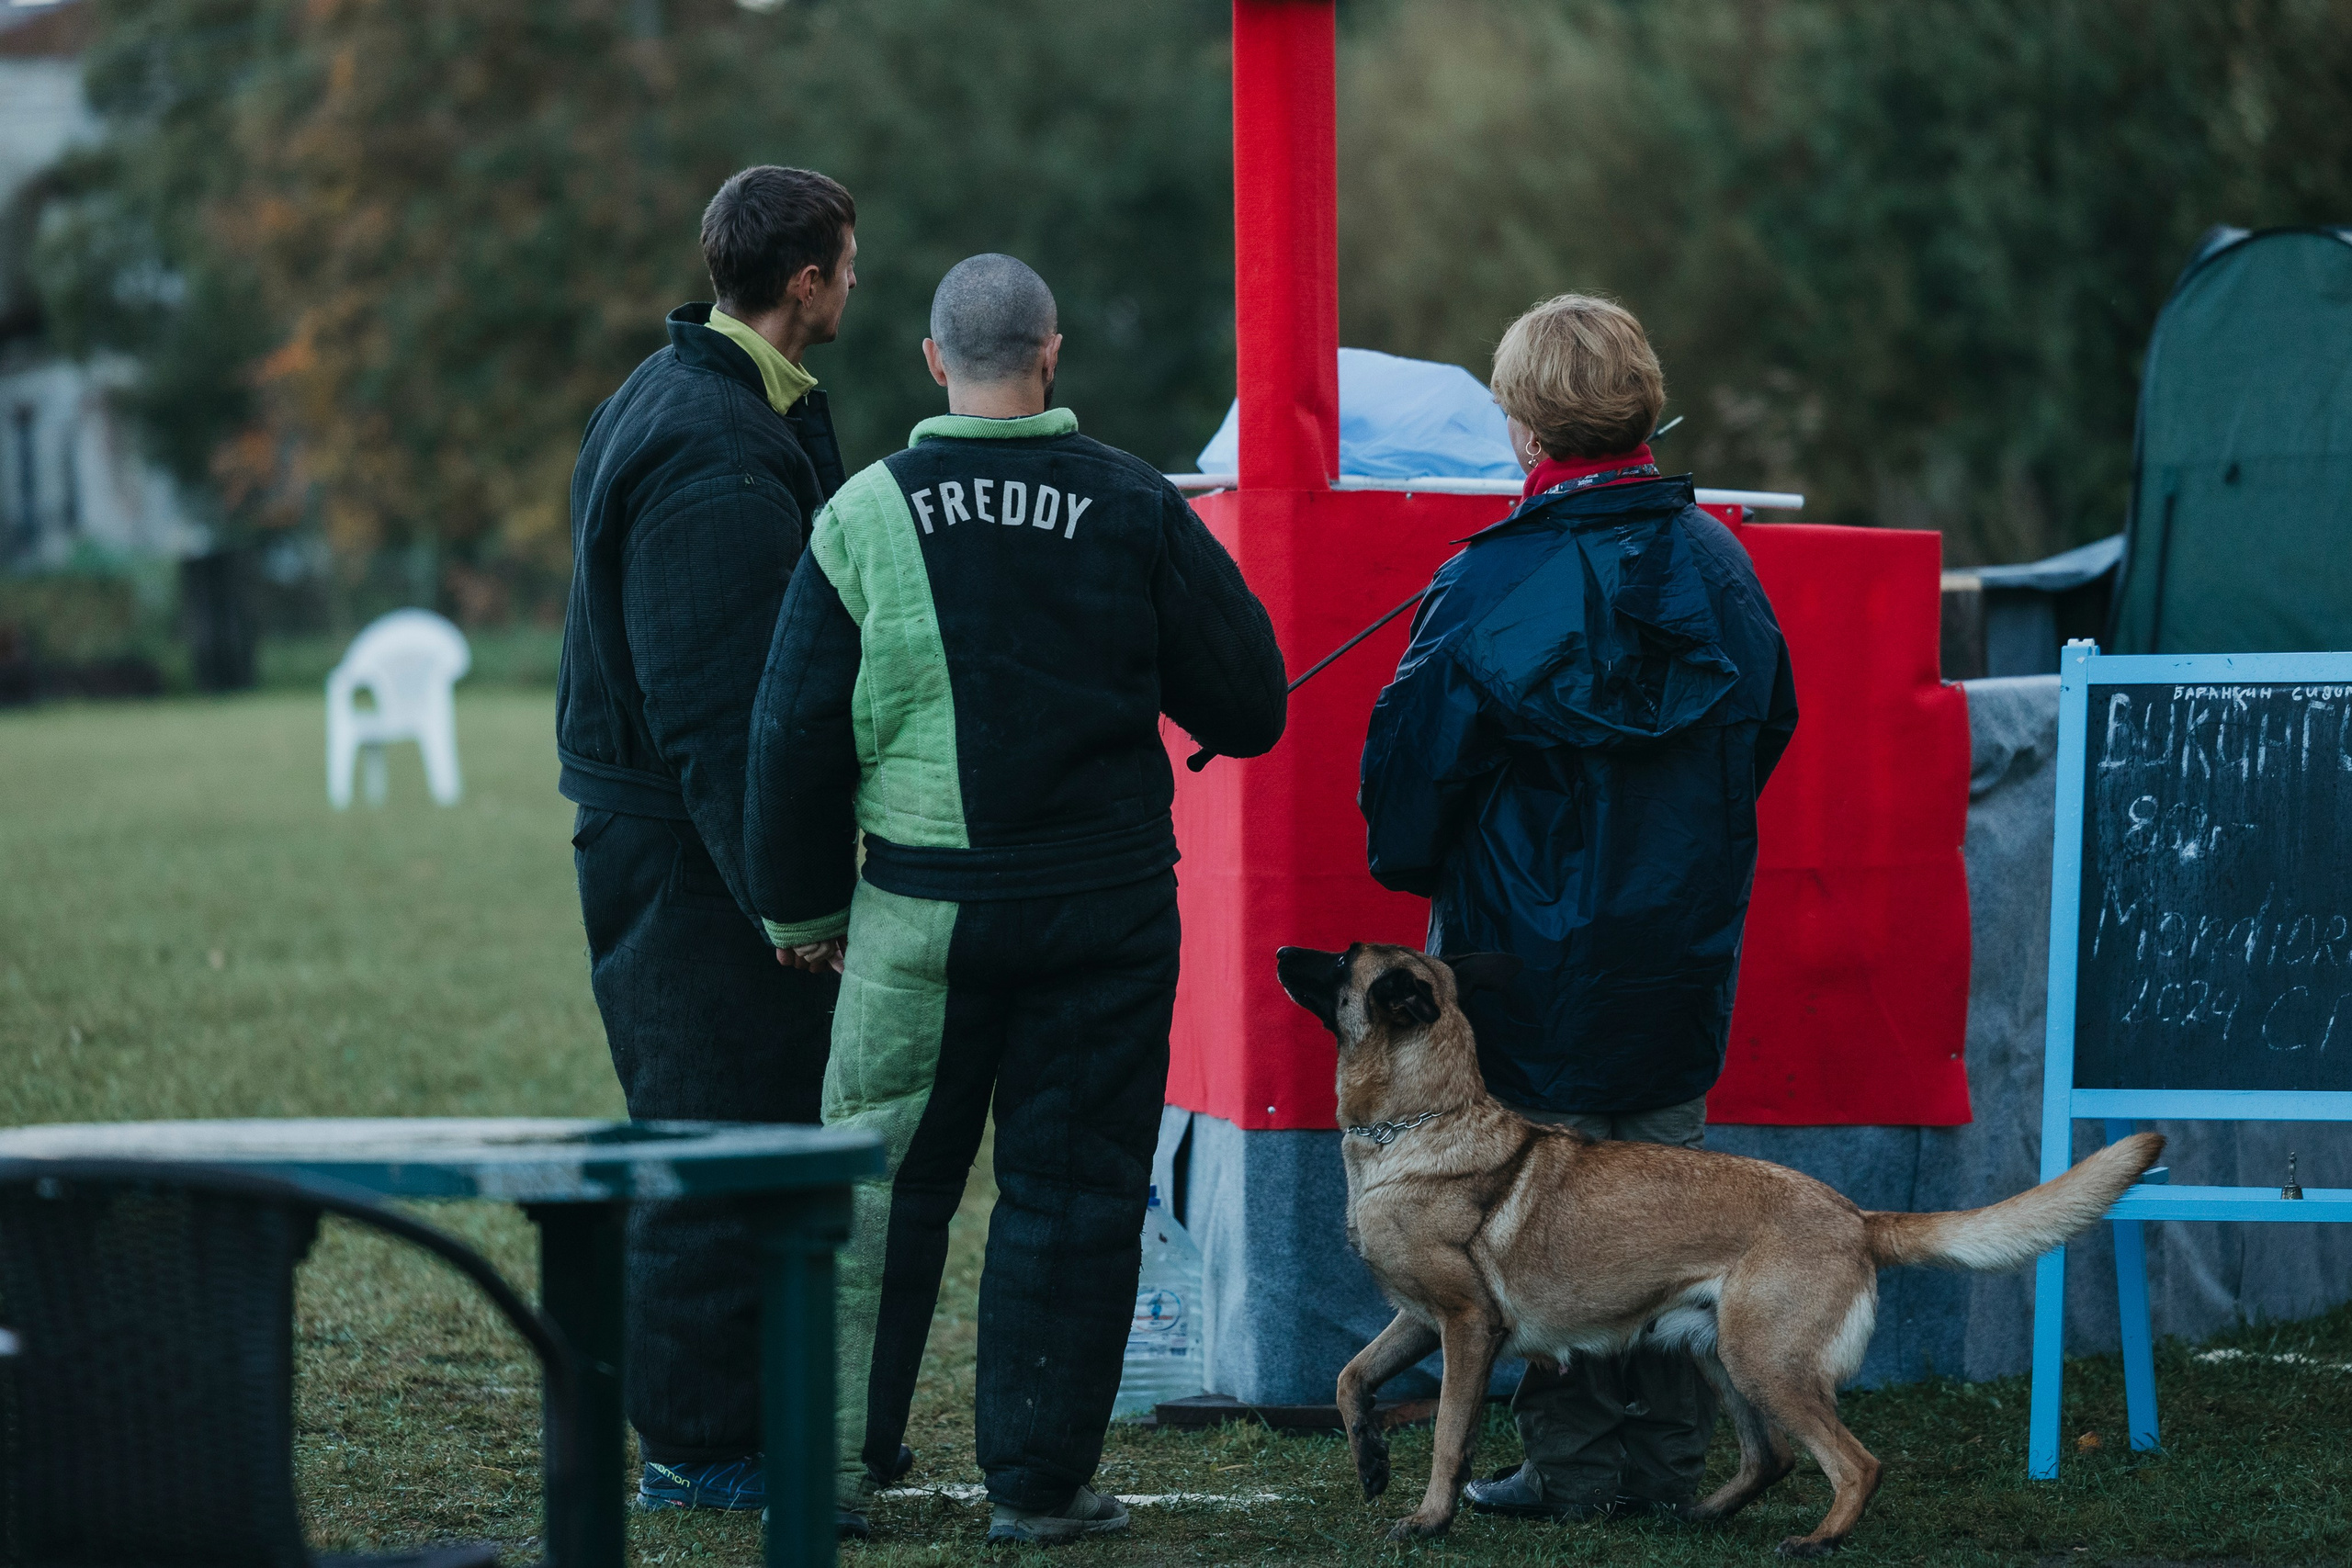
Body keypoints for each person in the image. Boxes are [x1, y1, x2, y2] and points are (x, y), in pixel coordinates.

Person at [741, 254, 1287, 1543]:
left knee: (871, 1183)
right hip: (1102, 918)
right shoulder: (1137, 502)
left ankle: (833, 1463)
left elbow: (792, 736)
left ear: (934, 360)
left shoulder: (865, 512)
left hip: (919, 915)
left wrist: (800, 908)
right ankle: (1038, 1487)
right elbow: (1251, 706)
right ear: (1054, 353)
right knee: (1073, 1190)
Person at [1359, 293, 1798, 1522]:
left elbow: (1406, 790)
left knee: (1536, 1224)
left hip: (1521, 955)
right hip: (1675, 943)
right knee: (1668, 1204)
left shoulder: (1489, 579)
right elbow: (1768, 724)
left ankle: (1573, 1468)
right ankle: (1658, 1468)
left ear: (1520, 428)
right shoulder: (1719, 559)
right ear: (1644, 408)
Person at [554, 164, 857, 1513]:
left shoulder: (706, 396)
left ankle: (751, 1424)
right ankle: (699, 1451)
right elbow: (719, 707)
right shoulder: (715, 446)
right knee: (707, 1137)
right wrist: (789, 903)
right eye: (849, 264)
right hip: (688, 852)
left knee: (743, 1129)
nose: (856, 284)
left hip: (678, 838)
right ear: (806, 282)